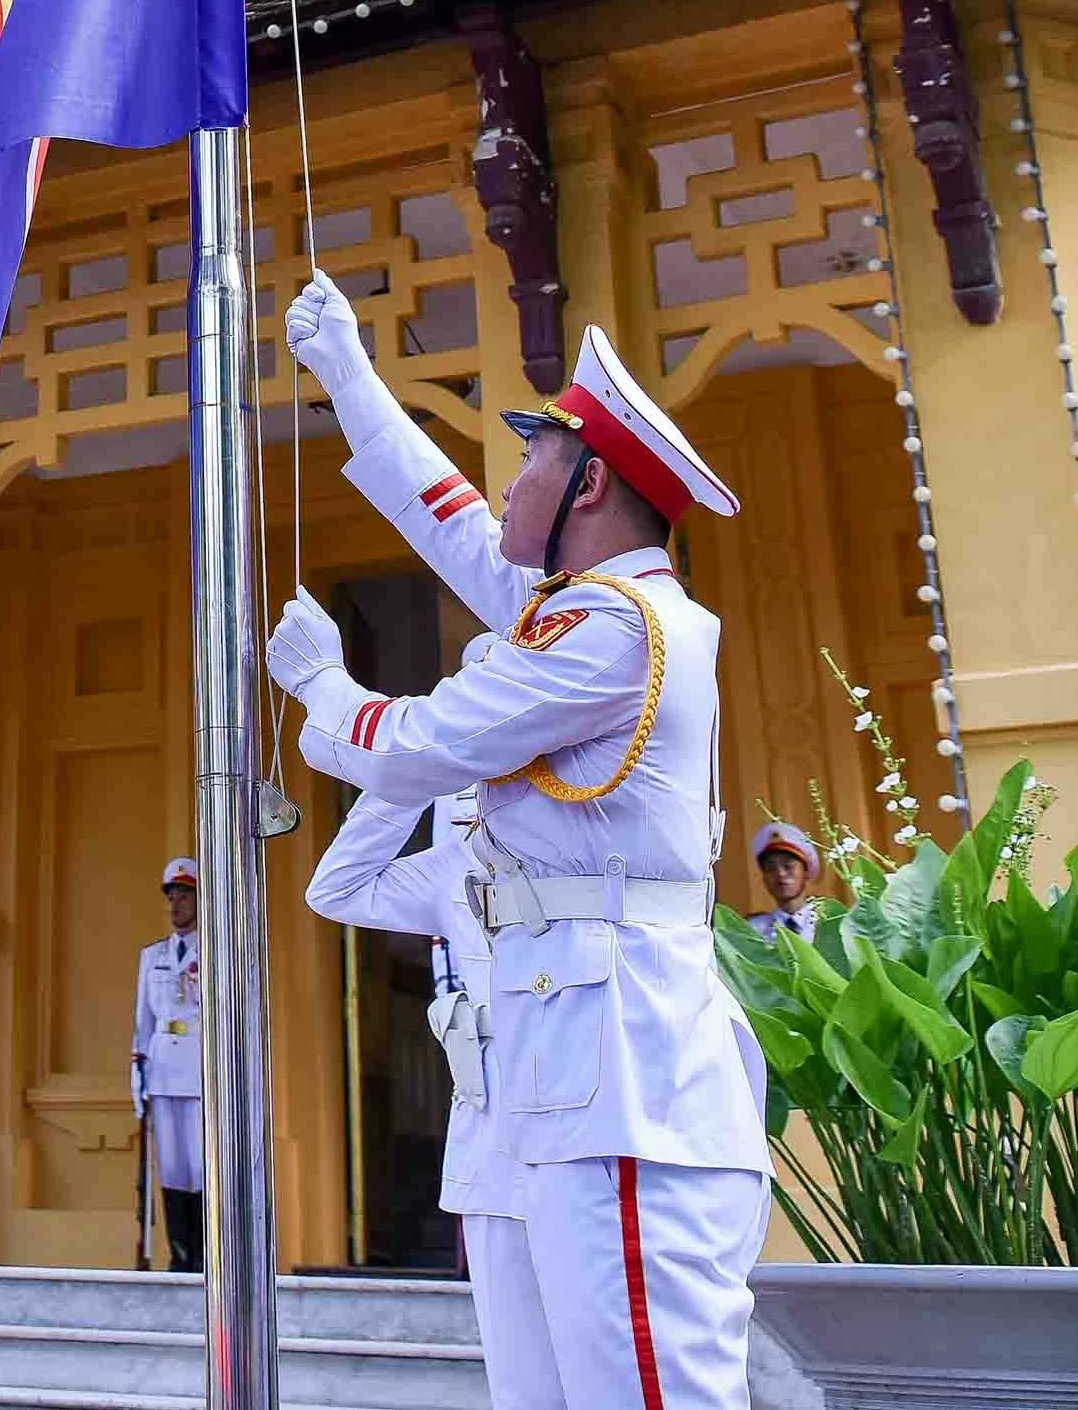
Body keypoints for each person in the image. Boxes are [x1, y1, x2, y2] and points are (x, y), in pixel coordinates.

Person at [267, 275, 768, 1410]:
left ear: (588, 484)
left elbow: (410, 748)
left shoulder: (618, 629)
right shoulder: (579, 609)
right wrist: (346, 374)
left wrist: (323, 687)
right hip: (558, 1067)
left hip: (627, 1071)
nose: (508, 478)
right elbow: (443, 515)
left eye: (533, 457)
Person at [309, 784, 539, 1363]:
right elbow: (336, 888)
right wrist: (410, 773)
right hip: (490, 1128)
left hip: (589, 1135)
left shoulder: (584, 833)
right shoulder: (453, 865)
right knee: (518, 1370)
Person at [131, 856, 207, 1271]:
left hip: (197, 1068)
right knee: (173, 1167)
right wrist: (136, 1074)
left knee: (199, 1166)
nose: (176, 905)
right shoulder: (153, 955)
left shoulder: (217, 952)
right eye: (172, 897)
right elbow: (142, 1020)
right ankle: (180, 1255)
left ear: (199, 900)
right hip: (161, 1067)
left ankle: (204, 1255)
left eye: (184, 896)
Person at [744, 819, 824, 942]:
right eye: (770, 868)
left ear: (806, 872)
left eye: (788, 866)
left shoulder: (827, 922)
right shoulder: (753, 930)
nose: (780, 874)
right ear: (764, 878)